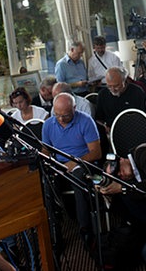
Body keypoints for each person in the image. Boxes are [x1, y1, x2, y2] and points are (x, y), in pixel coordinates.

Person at [42, 93, 101, 248]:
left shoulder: (85, 121)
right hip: (59, 165)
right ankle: (55, 231)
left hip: (82, 162)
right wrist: (49, 163)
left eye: (66, 115)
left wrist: (74, 163)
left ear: (74, 109)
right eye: (57, 115)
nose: (61, 119)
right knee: (46, 184)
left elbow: (96, 152)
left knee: (78, 180)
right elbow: (46, 151)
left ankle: (85, 229)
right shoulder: (48, 124)